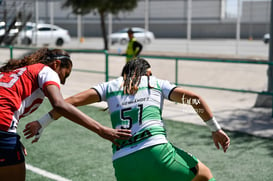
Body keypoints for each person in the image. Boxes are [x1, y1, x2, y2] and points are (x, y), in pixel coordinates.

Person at [25, 58, 230, 181]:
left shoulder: (109, 86)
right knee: (204, 175)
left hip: (123, 162)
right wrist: (215, 129)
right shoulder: (154, 82)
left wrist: (41, 123)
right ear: (147, 72)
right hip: (157, 151)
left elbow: (67, 103)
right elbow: (193, 99)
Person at [0, 48, 131, 181]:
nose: (62, 82)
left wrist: (12, 135)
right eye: (65, 75)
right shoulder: (47, 71)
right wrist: (101, 130)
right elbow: (60, 104)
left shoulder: (14, 72)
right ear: (56, 64)